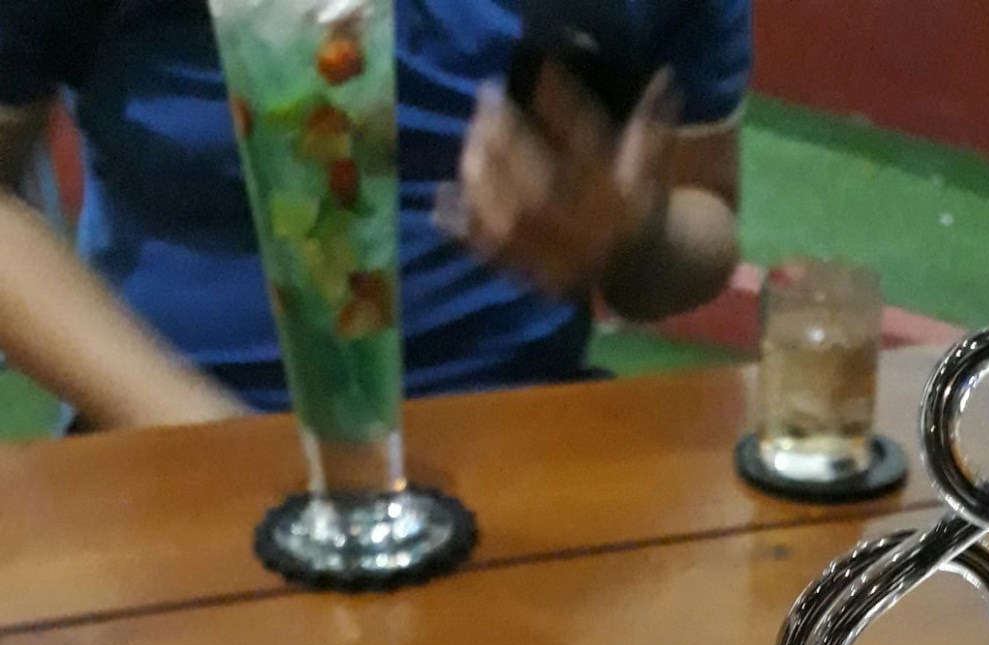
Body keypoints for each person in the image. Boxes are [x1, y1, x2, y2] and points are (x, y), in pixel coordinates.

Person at [0, 1, 749, 429]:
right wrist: (211, 438)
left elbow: (705, 213)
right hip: (175, 439)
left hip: (519, 445)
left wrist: (632, 235)